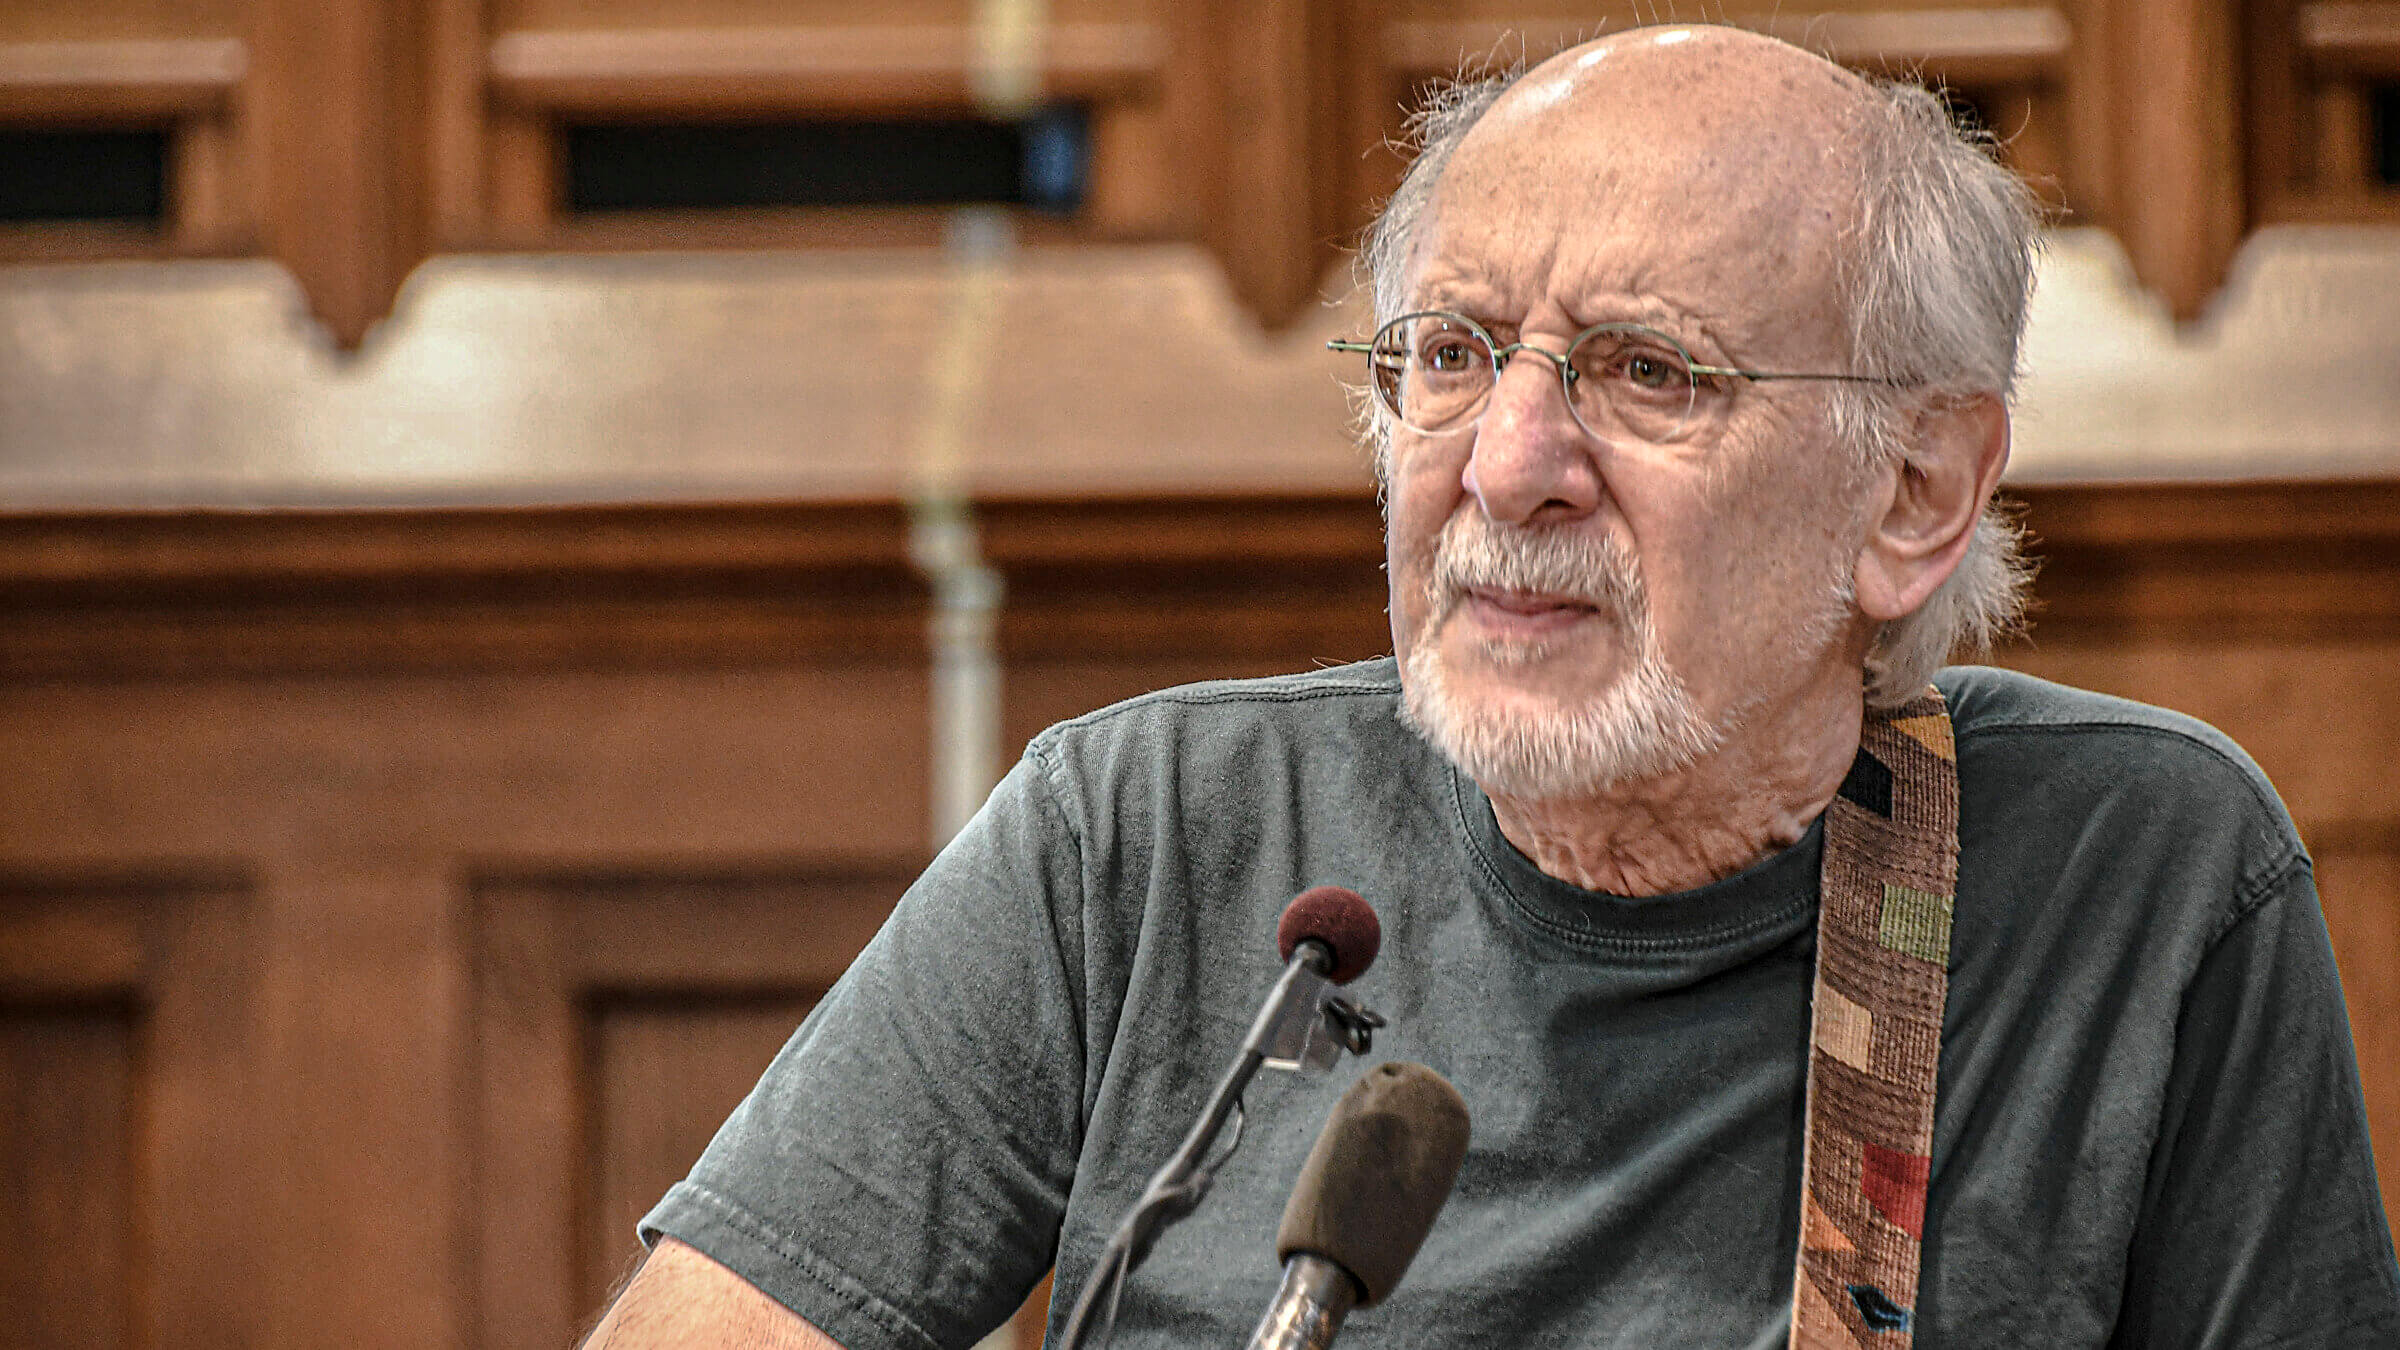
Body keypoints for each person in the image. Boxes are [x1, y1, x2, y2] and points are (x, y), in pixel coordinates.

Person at [586, 25, 2400, 1350]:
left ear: (1914, 492)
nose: (1508, 459)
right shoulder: (1140, 834)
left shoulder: (2149, 879)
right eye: (1449, 357)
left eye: (1648, 373)